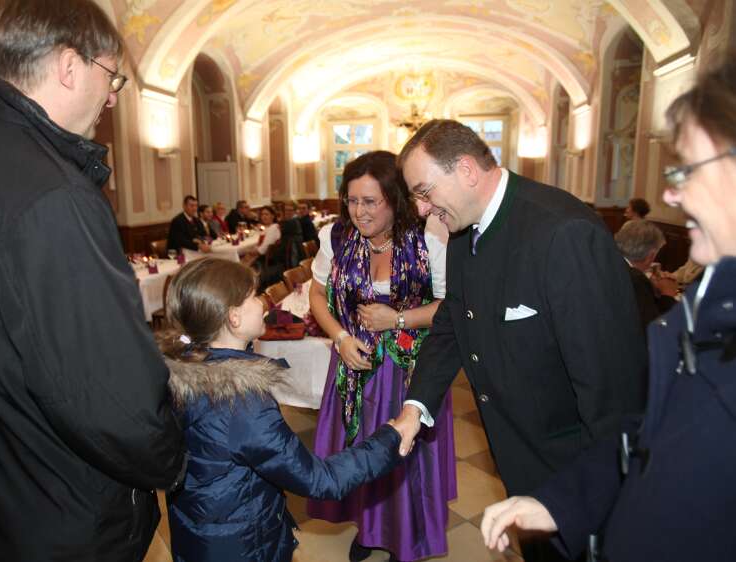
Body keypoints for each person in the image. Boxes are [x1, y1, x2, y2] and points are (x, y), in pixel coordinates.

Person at [0, 1, 186, 560]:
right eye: (111, 76)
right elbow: (103, 392)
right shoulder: (51, 192)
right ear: (69, 66)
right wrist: (172, 455)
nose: (112, 96)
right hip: (50, 507)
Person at [480, 54, 736, 562]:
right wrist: (562, 503)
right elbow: (649, 431)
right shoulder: (705, 307)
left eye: (686, 168)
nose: (669, 192)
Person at [392, 120, 647, 562]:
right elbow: (454, 319)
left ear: (467, 170)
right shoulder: (461, 230)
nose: (420, 208)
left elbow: (614, 395)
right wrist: (416, 408)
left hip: (577, 475)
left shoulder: (563, 233)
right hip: (518, 459)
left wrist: (577, 498)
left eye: (424, 191)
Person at [162, 258, 402, 562]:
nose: (262, 302)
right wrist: (391, 437)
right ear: (233, 318)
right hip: (242, 546)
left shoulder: (184, 370)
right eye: (253, 296)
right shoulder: (242, 404)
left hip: (200, 534)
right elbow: (321, 480)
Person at [307, 151, 455, 562]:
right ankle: (368, 528)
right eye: (352, 201)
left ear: (395, 199)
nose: (359, 212)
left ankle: (405, 535)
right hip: (354, 362)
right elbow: (317, 293)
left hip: (409, 369)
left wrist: (398, 318)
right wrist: (338, 336)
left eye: (371, 201)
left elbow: (450, 306)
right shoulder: (334, 237)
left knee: (403, 453)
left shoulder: (430, 237)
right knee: (359, 448)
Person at [614, 219, 677, 328]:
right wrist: (668, 295)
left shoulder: (613, 262)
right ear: (651, 256)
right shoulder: (635, 278)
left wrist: (652, 290)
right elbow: (657, 329)